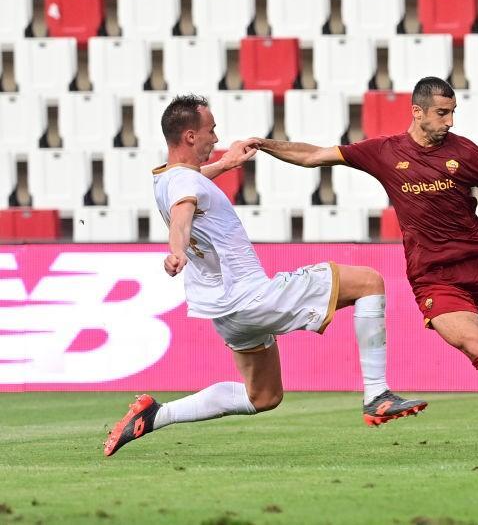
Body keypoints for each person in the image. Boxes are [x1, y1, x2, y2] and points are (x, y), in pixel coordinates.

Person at [251, 76, 478, 445]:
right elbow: (313, 155)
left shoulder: (465, 153)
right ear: (417, 112)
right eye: (442, 113)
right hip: (434, 278)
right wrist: (262, 145)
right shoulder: (384, 152)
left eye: (452, 113)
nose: (449, 122)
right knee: (474, 345)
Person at [104, 94, 426, 457]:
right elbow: (182, 215)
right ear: (190, 136)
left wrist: (226, 164)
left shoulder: (167, 178)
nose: (216, 136)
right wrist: (175, 249)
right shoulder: (183, 188)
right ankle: (377, 394)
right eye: (211, 130)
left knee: (263, 396)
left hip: (225, 313)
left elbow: (189, 186)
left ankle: (156, 415)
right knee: (369, 282)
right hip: (252, 296)